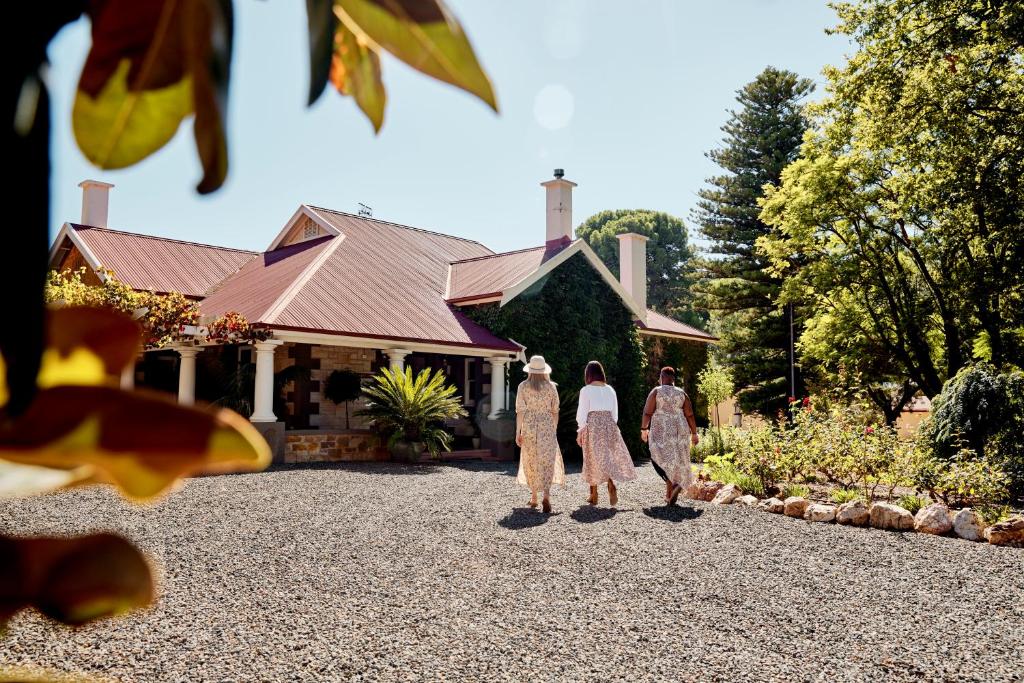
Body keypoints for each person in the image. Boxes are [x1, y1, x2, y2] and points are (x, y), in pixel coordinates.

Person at [576, 360, 636, 506]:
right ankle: (610, 482)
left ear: (588, 374)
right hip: (610, 424)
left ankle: (594, 494)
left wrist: (580, 429)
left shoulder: (586, 390)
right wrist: (611, 425)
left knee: (591, 457)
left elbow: (582, 413)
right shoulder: (610, 389)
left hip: (593, 425)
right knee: (607, 456)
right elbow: (615, 413)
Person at [641, 366, 699, 505]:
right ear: (673, 379)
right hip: (681, 428)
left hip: (662, 428)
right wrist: (694, 433)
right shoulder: (682, 393)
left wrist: (644, 429)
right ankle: (673, 488)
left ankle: (673, 485)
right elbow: (689, 414)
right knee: (678, 459)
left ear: (662, 377)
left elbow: (647, 412)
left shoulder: (657, 391)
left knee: (658, 457)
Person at [514, 355, 565, 513]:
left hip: (529, 425)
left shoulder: (523, 386)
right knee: (547, 460)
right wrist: (554, 428)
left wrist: (518, 431)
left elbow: (520, 411)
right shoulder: (551, 387)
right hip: (547, 426)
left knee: (531, 459)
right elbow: (555, 410)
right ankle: (547, 496)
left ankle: (534, 496)